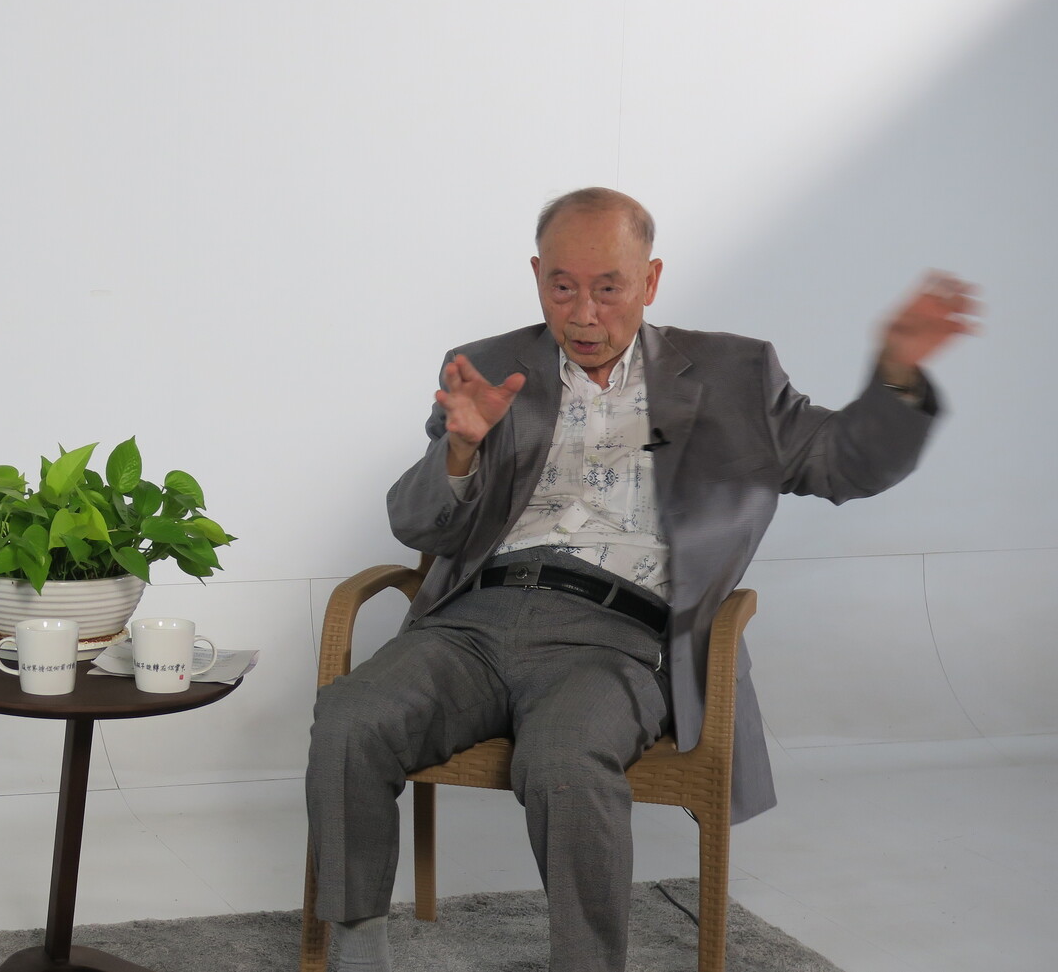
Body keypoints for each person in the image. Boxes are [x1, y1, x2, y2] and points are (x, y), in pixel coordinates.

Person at [305, 187, 977, 972]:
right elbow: (419, 526)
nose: (583, 312)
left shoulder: (733, 372)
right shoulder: (489, 367)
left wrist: (896, 376)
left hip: (616, 636)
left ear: (650, 281)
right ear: (536, 276)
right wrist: (458, 451)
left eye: (608, 286)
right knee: (351, 716)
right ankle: (357, 950)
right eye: (562, 285)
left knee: (563, 757)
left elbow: (838, 461)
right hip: (472, 621)